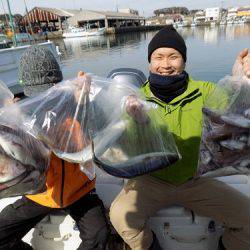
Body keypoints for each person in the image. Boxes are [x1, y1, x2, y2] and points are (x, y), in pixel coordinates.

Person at [109, 25, 250, 250]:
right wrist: (139, 122)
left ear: (184, 61)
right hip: (150, 180)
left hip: (196, 178)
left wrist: (238, 80)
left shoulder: (205, 91)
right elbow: (127, 148)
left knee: (247, 218)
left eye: (173, 57)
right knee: (120, 216)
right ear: (149, 62)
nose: (165, 65)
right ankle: (149, 246)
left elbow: (235, 108)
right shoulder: (134, 99)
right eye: (159, 57)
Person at [0, 46, 109, 250]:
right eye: (36, 94)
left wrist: (84, 102)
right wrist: (9, 118)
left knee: (99, 234)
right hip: (41, 193)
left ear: (59, 83)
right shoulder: (19, 113)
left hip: (79, 190)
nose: (44, 98)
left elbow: (101, 127)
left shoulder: (75, 102)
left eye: (50, 91)